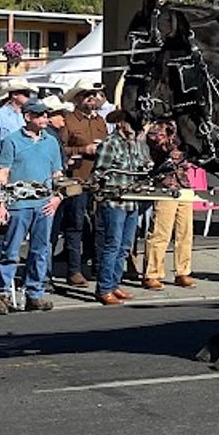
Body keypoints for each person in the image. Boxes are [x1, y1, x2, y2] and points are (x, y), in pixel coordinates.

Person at [0, 99, 63, 314]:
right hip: (19, 204)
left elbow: (57, 174)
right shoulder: (11, 141)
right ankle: (3, 294)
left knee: (41, 250)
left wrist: (57, 197)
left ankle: (35, 293)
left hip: (44, 204)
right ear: (28, 117)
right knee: (10, 250)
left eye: (46, 115)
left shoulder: (51, 142)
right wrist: (1, 203)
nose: (45, 119)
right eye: (40, 115)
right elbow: (3, 173)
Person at [92, 109, 152, 305]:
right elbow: (99, 174)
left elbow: (140, 167)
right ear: (121, 124)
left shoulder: (133, 145)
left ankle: (115, 284)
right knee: (113, 245)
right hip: (114, 202)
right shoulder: (109, 144)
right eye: (131, 125)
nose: (134, 129)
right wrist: (112, 186)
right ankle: (104, 288)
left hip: (132, 201)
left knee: (125, 247)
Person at [59, 80, 107, 285]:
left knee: (100, 225)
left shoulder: (100, 122)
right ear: (77, 98)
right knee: (75, 225)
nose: (91, 97)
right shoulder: (68, 121)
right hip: (76, 179)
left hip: (99, 180)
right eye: (86, 94)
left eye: (94, 94)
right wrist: (83, 150)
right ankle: (73, 270)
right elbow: (60, 150)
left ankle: (97, 266)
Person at [142, 118, 196, 290]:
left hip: (184, 184)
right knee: (160, 231)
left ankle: (183, 271)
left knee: (185, 231)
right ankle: (152, 273)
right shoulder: (156, 128)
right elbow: (163, 147)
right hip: (165, 184)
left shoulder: (183, 125)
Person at [0, 77, 34, 173]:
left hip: (26, 163)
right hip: (5, 164)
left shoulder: (29, 116)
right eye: (26, 94)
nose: (29, 97)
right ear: (15, 95)